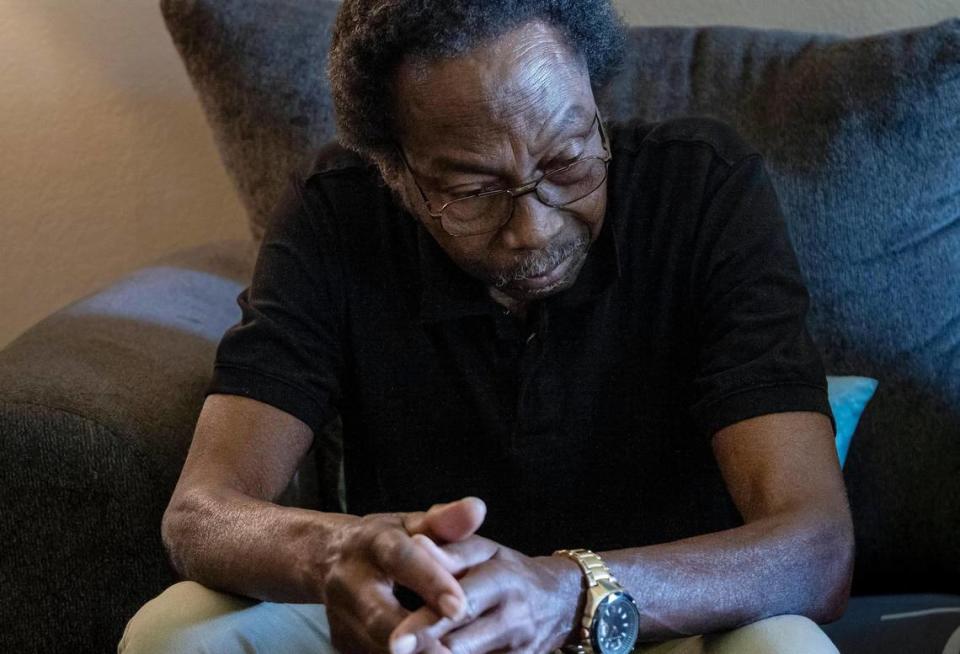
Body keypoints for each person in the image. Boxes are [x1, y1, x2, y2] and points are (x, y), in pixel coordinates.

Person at [119, 1, 854, 652]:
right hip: (419, 629)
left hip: (650, 621)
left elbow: (816, 550)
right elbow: (200, 512)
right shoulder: (336, 215)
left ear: (594, 101)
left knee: (782, 643)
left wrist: (568, 592)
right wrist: (342, 551)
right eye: (473, 191)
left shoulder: (703, 189)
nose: (532, 231)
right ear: (396, 175)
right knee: (178, 630)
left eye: (567, 160)